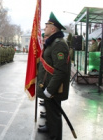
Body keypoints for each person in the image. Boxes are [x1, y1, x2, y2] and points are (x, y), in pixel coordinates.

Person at [36, 12, 71, 140]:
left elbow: (61, 70)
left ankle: (55, 136)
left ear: (53, 29)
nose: (44, 29)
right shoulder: (53, 42)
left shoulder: (59, 44)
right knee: (50, 113)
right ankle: (50, 128)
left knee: (54, 115)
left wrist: (50, 90)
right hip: (49, 84)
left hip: (54, 88)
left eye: (46, 27)